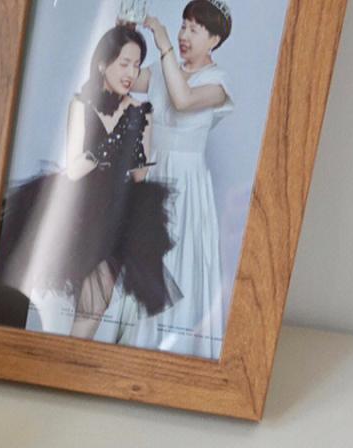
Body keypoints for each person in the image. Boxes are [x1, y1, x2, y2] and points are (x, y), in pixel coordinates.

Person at [0, 25, 179, 339]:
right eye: (124, 63)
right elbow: (74, 169)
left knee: (95, 304)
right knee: (28, 273)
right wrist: (112, 142)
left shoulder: (141, 110)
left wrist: (135, 145)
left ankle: (66, 362)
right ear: (104, 63)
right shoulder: (81, 103)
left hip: (118, 210)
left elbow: (140, 175)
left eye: (136, 64)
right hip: (78, 205)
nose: (131, 72)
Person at [98, 2, 235, 357]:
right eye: (183, 25)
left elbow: (183, 98)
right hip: (151, 173)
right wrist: (122, 36)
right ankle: (127, 345)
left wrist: (163, 45)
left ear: (215, 39)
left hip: (186, 185)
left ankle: (170, 351)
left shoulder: (216, 83)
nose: (184, 34)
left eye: (195, 29)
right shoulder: (162, 69)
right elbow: (118, 77)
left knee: (178, 259)